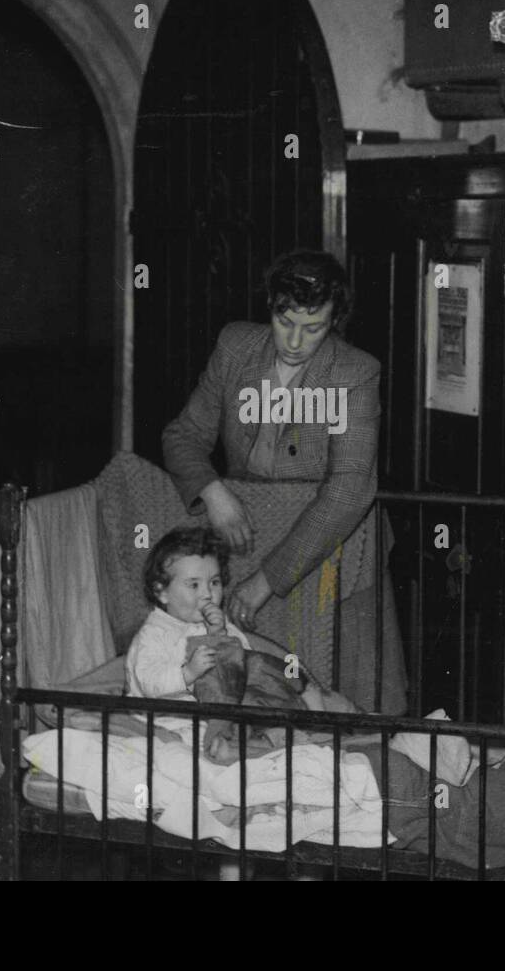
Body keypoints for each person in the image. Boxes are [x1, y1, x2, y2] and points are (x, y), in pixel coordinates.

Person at [161, 250, 406, 714]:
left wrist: (265, 582)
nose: (294, 341)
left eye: (313, 327)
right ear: (270, 306)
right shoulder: (235, 347)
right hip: (248, 535)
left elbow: (349, 489)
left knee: (350, 700)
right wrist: (214, 492)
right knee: (254, 691)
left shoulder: (356, 372)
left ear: (335, 320)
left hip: (334, 548)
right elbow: (182, 435)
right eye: (284, 321)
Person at [126, 526, 250, 701]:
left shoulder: (220, 625)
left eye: (214, 582)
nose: (207, 594)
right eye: (194, 585)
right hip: (164, 718)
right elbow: (148, 683)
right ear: (161, 592)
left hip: (211, 715)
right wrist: (187, 673)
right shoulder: (154, 633)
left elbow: (245, 665)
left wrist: (219, 635)